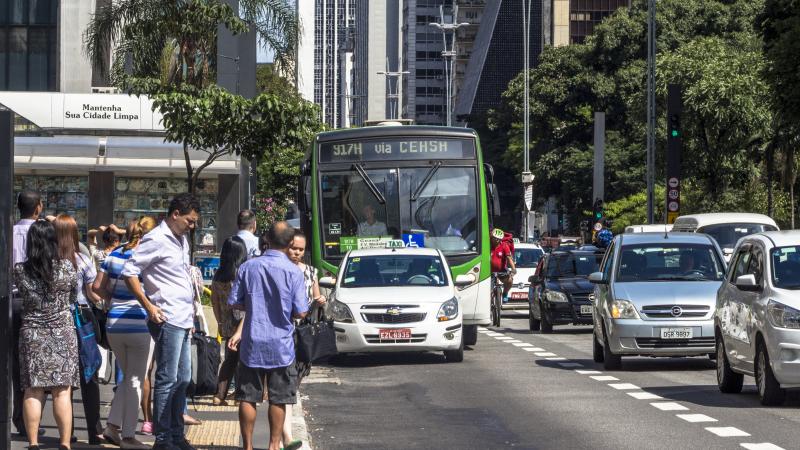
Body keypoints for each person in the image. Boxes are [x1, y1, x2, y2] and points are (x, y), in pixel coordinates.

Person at [122, 193, 200, 450]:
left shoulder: (182, 239)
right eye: (189, 221)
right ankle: (164, 437)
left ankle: (176, 434)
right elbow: (130, 271)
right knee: (167, 378)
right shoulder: (156, 238)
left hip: (183, 316)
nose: (192, 226)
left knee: (183, 378)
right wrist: (149, 305)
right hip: (167, 315)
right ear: (175, 214)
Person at [228, 222, 308, 450]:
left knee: (247, 396)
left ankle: (248, 446)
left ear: (267, 239)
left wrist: (254, 304)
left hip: (252, 340)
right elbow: (301, 310)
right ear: (290, 243)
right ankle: (274, 446)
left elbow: (233, 301)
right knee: (279, 398)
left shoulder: (248, 267)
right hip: (281, 343)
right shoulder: (294, 271)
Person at [13, 220, 80, 450]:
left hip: (32, 333)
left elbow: (22, 296)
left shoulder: (20, 270)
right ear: (54, 240)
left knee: (33, 389)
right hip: (62, 331)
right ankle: (64, 443)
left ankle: (33, 443)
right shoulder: (68, 268)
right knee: (62, 390)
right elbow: (73, 298)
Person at [93, 216, 157, 450]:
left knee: (129, 376)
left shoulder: (114, 254)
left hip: (114, 324)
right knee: (135, 380)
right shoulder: (147, 256)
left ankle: (112, 426)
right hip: (140, 323)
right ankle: (128, 436)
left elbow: (97, 287)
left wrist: (114, 300)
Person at [54, 214, 105, 445]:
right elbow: (93, 292)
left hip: (56, 320)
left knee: (65, 379)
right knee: (89, 372)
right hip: (82, 317)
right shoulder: (82, 260)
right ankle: (95, 430)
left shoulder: (51, 261)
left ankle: (68, 432)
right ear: (74, 234)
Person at [281, 230, 326, 449]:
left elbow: (315, 297)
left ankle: (285, 432)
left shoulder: (310, 271)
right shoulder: (278, 269)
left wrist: (320, 300)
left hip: (304, 333)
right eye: (293, 248)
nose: (296, 252)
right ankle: (285, 435)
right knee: (286, 383)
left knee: (296, 380)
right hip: (283, 331)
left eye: (300, 249)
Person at [11, 189, 45, 439]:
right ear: (38, 208)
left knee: (14, 359)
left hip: (12, 299)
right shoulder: (42, 234)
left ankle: (18, 417)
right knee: (34, 363)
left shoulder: (9, 231)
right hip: (36, 303)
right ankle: (29, 419)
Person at [211, 236, 248, 406]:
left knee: (229, 360)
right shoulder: (243, 273)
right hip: (243, 322)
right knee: (244, 360)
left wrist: (219, 322)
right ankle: (240, 396)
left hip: (226, 322)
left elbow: (214, 300)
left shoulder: (219, 274)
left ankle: (219, 395)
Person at [490, 228, 516, 303]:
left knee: (510, 280)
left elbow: (509, 258)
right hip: (489, 272)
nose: (497, 240)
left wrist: (513, 269)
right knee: (488, 289)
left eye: (499, 239)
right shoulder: (487, 246)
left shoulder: (504, 246)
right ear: (492, 237)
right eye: (495, 238)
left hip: (501, 270)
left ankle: (505, 293)